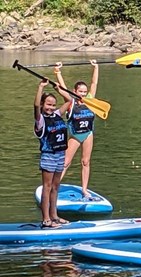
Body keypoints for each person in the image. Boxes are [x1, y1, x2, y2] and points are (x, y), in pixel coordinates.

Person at [53, 60, 99, 199]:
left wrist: (95, 67)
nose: (83, 94)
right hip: (75, 136)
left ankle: (85, 190)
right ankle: (54, 187)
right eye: (80, 91)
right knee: (65, 163)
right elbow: (62, 88)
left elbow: (94, 83)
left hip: (88, 134)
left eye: (85, 92)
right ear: (75, 91)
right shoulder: (71, 102)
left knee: (86, 162)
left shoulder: (90, 101)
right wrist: (58, 72)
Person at [33, 79, 71, 228]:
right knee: (47, 187)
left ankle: (54, 216)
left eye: (53, 105)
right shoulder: (40, 120)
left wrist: (58, 89)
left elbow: (69, 100)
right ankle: (46, 219)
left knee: (56, 187)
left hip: (60, 154)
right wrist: (41, 87)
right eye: (48, 104)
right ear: (43, 105)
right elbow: (36, 105)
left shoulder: (56, 114)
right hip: (49, 155)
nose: (51, 107)